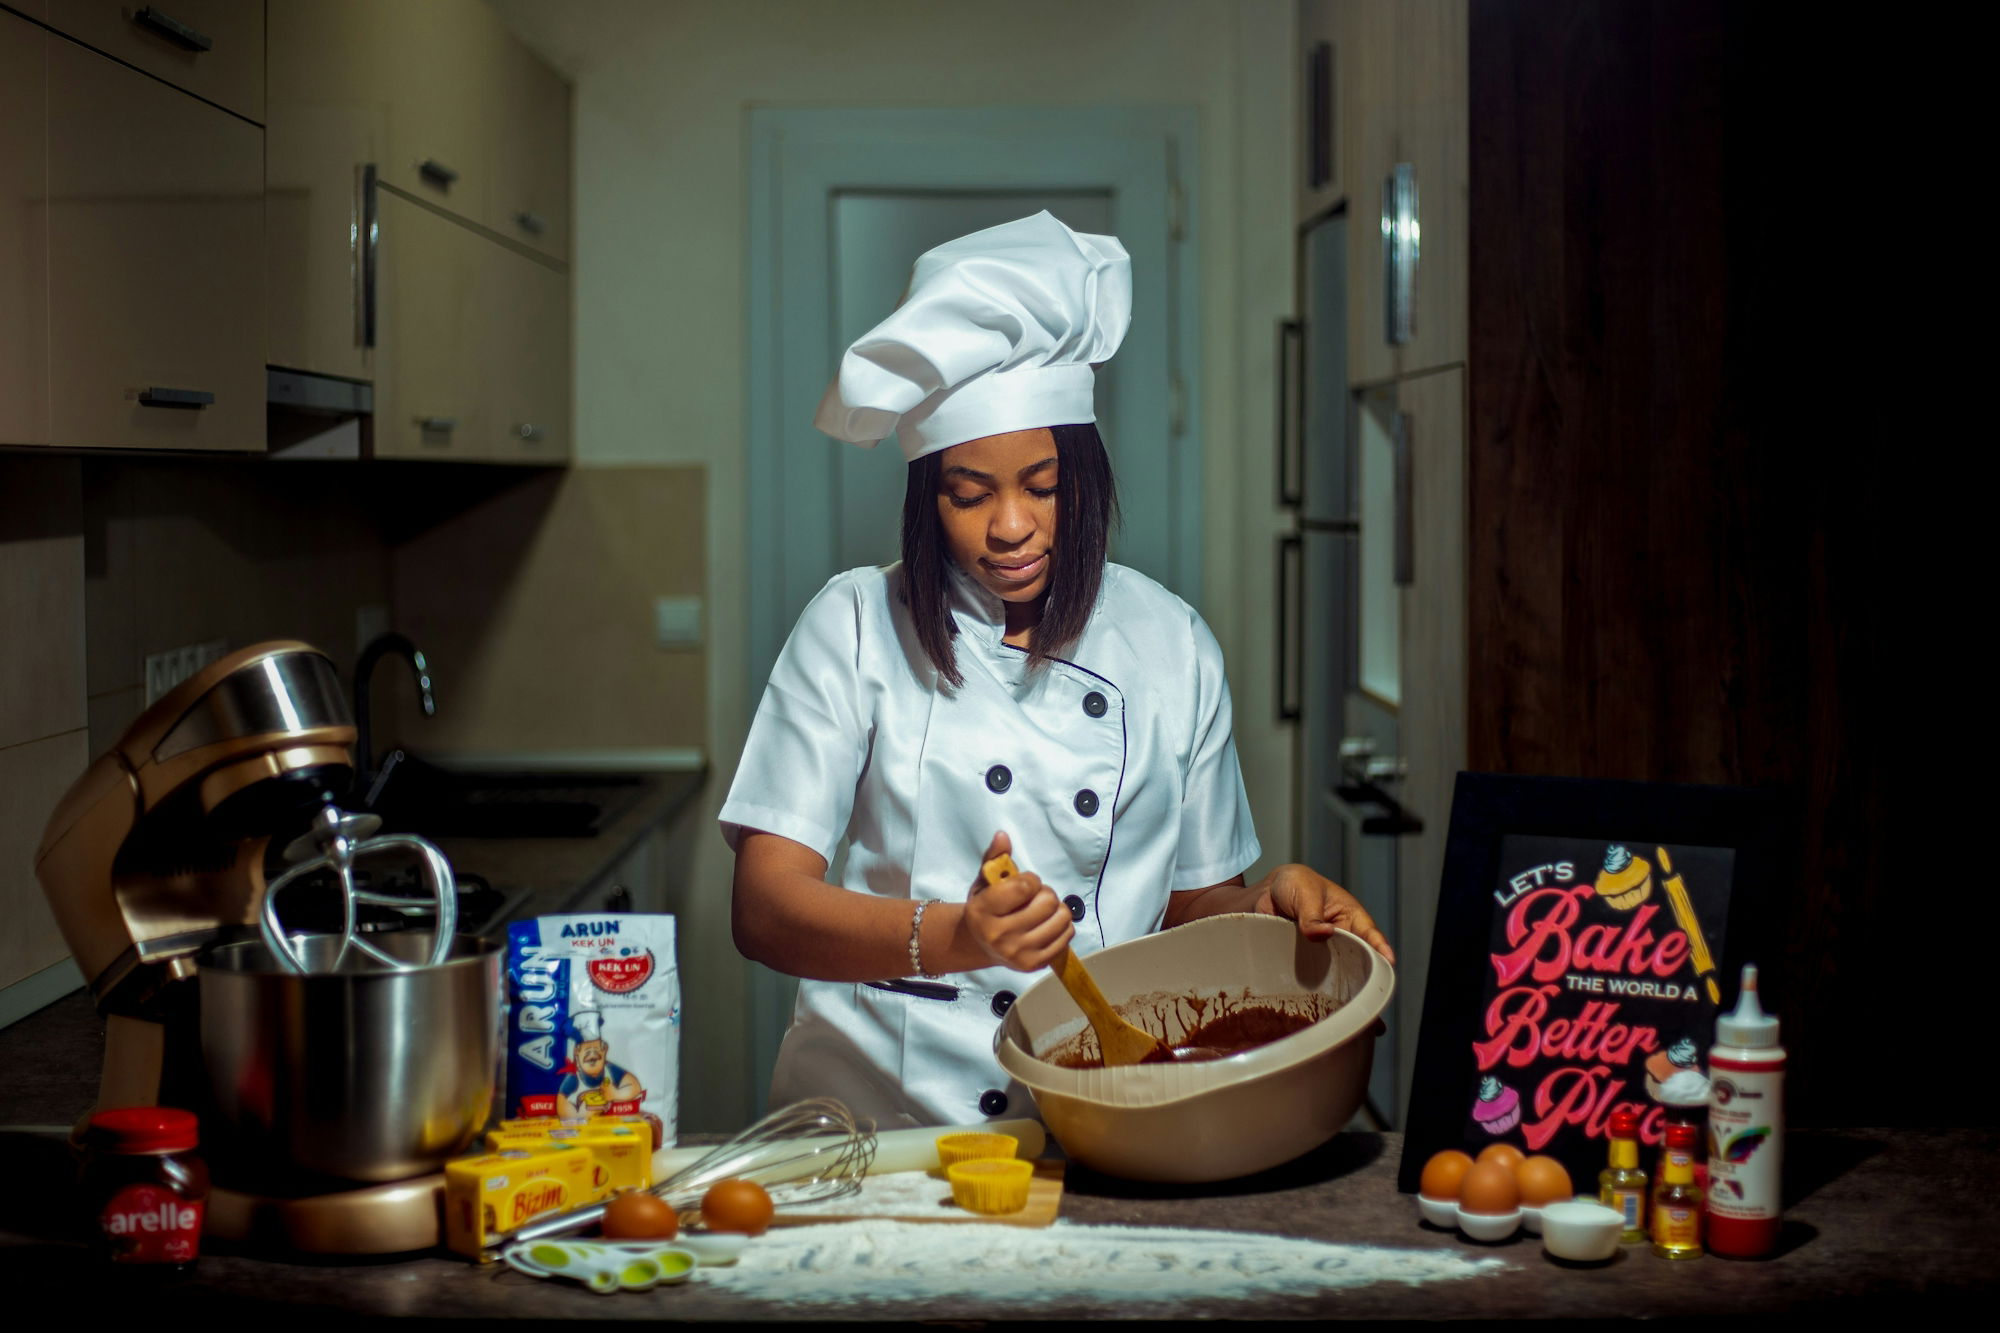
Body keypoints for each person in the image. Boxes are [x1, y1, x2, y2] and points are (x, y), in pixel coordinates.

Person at [721, 211, 1393, 1128]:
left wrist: (1265, 907)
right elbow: (764, 907)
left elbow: (1190, 901)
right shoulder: (854, 625)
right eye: (969, 493)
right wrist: (953, 935)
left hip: (1103, 1112)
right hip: (883, 1126)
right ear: (928, 498)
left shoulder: (1172, 641)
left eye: (1041, 486)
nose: (1010, 525)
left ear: (1086, 479)